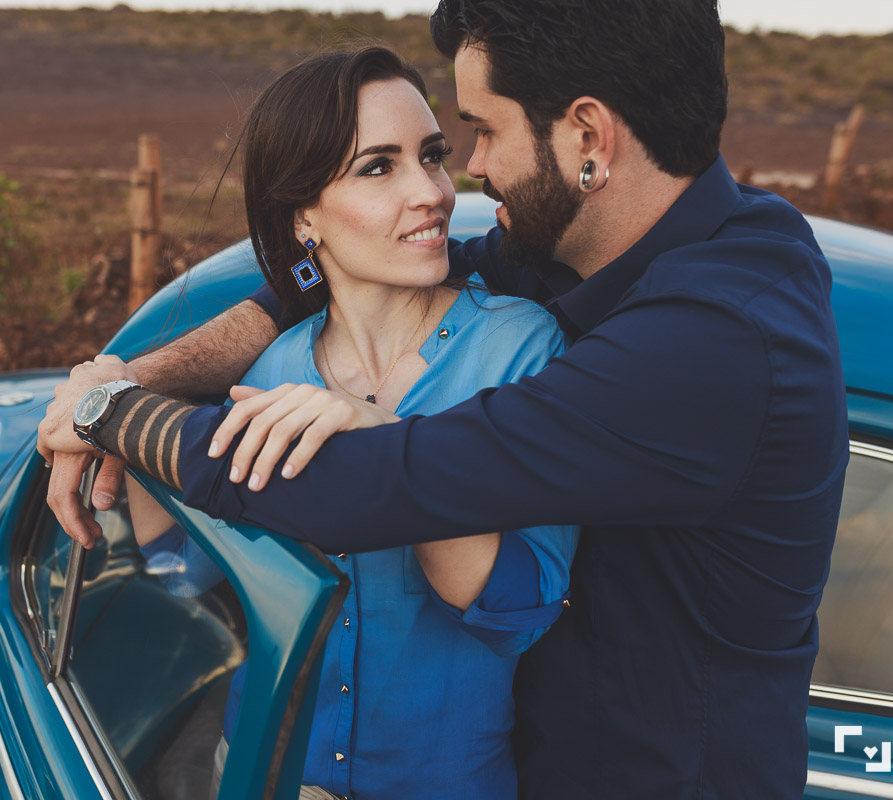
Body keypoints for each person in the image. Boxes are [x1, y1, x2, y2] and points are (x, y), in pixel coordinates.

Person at [39, 1, 847, 797]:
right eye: (389, 163)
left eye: (482, 130)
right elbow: (342, 278)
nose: (468, 171)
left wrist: (108, 415)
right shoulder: (610, 249)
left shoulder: (714, 339)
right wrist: (140, 374)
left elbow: (368, 485)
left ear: (589, 141)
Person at [120, 47, 576, 800]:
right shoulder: (269, 373)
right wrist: (130, 422)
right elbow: (189, 571)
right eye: (378, 167)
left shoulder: (521, 347)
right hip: (263, 769)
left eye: (431, 156)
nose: (431, 191)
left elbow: (518, 611)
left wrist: (387, 445)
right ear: (304, 216)